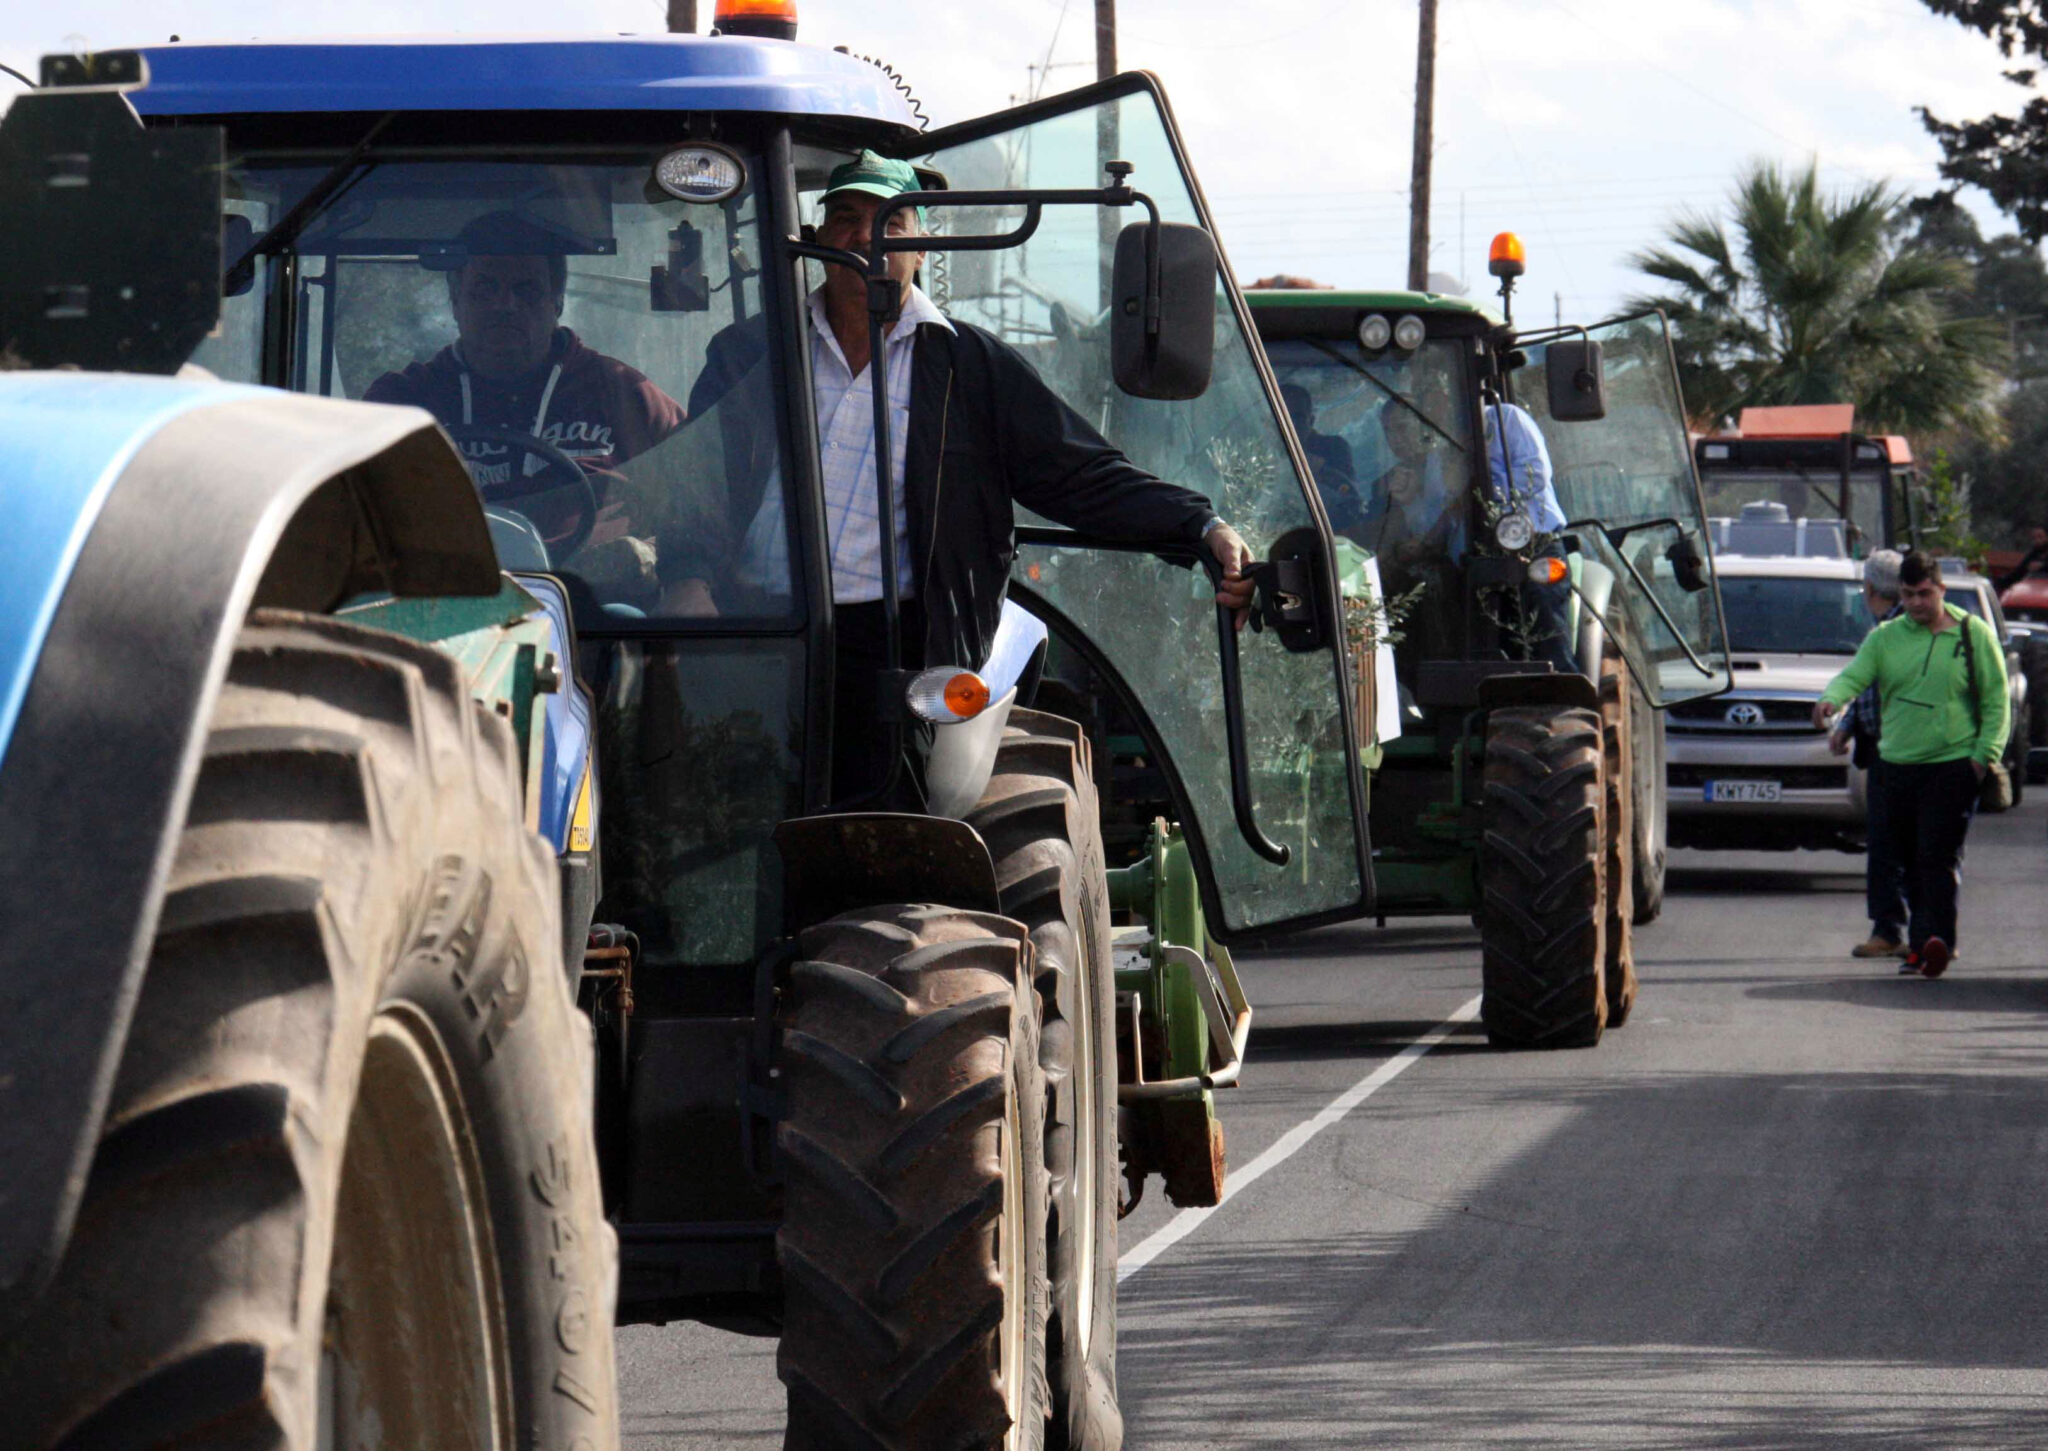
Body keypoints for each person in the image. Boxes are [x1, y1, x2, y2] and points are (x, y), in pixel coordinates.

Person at [668, 151, 1254, 800]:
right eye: (845, 218)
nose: (866, 236)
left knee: (880, 852)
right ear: (816, 241)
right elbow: (695, 494)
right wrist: (690, 580)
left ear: (923, 245)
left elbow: (1085, 475)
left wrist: (1203, 525)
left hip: (891, 652)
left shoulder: (969, 368)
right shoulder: (750, 355)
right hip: (749, 637)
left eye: (891, 221)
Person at [366, 210, 685, 535]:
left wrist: (671, 567)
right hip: (445, 582)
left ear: (557, 302)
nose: (505, 304)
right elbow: (351, 518)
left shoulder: (622, 393)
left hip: (595, 584)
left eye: (527, 289)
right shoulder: (402, 404)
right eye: (485, 288)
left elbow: (698, 498)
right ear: (455, 301)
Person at [1814, 550, 2009, 978]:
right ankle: (1921, 945)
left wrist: (1981, 759)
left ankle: (1933, 942)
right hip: (1896, 765)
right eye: (1909, 594)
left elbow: (1997, 704)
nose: (1918, 603)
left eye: (1925, 593)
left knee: (1935, 856)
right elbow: (1856, 676)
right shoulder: (1886, 637)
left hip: (1952, 765)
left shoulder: (1972, 635)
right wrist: (1832, 699)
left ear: (1941, 589)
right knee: (1901, 855)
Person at [1827, 549, 1909, 962]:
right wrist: (1845, 726)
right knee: (1896, 843)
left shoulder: (1895, 630)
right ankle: (1910, 928)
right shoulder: (1887, 629)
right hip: (1891, 748)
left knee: (1890, 844)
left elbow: (1872, 684)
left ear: (1871, 588)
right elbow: (1868, 686)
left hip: (1899, 750)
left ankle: (1892, 928)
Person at [1483, 387, 1575, 673]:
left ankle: (1563, 696)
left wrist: (1481, 490)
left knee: (1546, 639)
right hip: (1476, 552)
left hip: (1534, 544)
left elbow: (1533, 474)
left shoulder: (1505, 418)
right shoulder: (1435, 448)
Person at [1281, 382, 1362, 532]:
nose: (1289, 424)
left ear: (1310, 421)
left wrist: (1321, 474)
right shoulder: (1257, 454)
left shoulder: (1332, 450)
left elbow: (1350, 501)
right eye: (1281, 416)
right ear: (1267, 422)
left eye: (1297, 417)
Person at [1995, 524, 2048, 592]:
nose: (2037, 541)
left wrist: (2042, 566)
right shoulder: (2033, 555)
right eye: (2034, 538)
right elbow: (2019, 573)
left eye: (2040, 537)